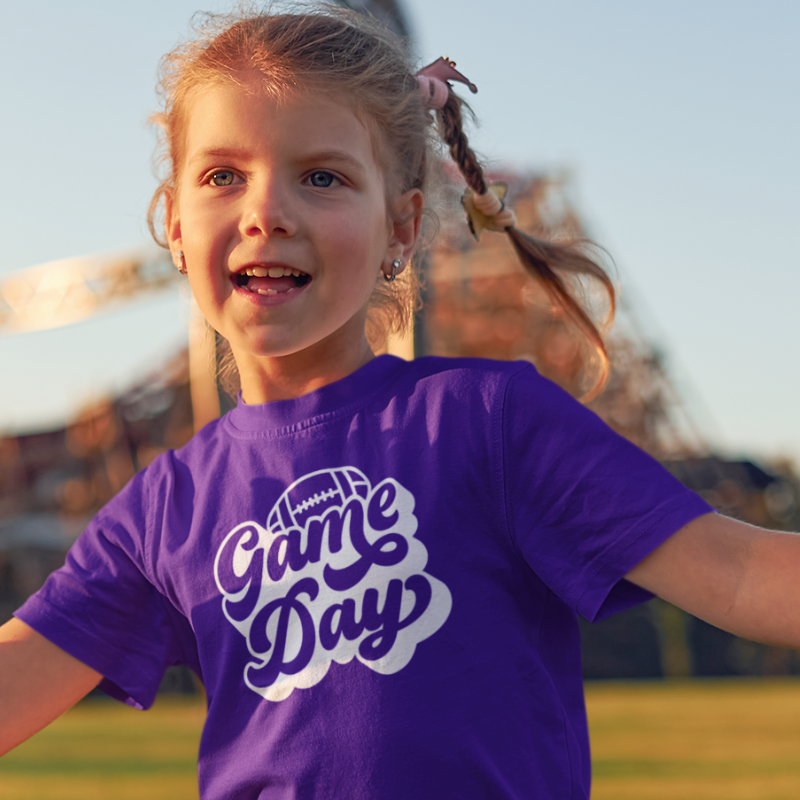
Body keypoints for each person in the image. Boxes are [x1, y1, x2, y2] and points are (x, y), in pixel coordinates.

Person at [2, 6, 800, 799]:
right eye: (223, 176)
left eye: (323, 176)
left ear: (400, 226)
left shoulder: (489, 424)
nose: (265, 211)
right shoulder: (162, 509)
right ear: (174, 222)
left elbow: (738, 575)